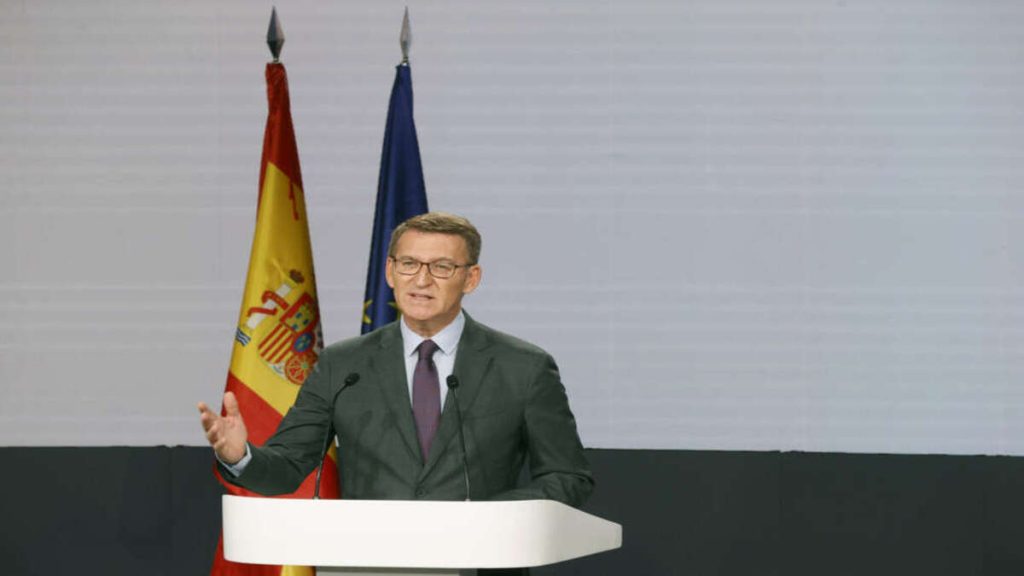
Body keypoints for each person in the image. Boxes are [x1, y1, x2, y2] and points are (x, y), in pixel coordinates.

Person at [199, 213, 593, 569]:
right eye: (408, 264)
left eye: (441, 267)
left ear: (471, 278)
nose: (421, 280)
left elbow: (567, 476)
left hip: (479, 562)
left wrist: (486, 518)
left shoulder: (523, 367)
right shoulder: (344, 365)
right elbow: (287, 468)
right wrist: (241, 457)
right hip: (367, 565)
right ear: (390, 271)